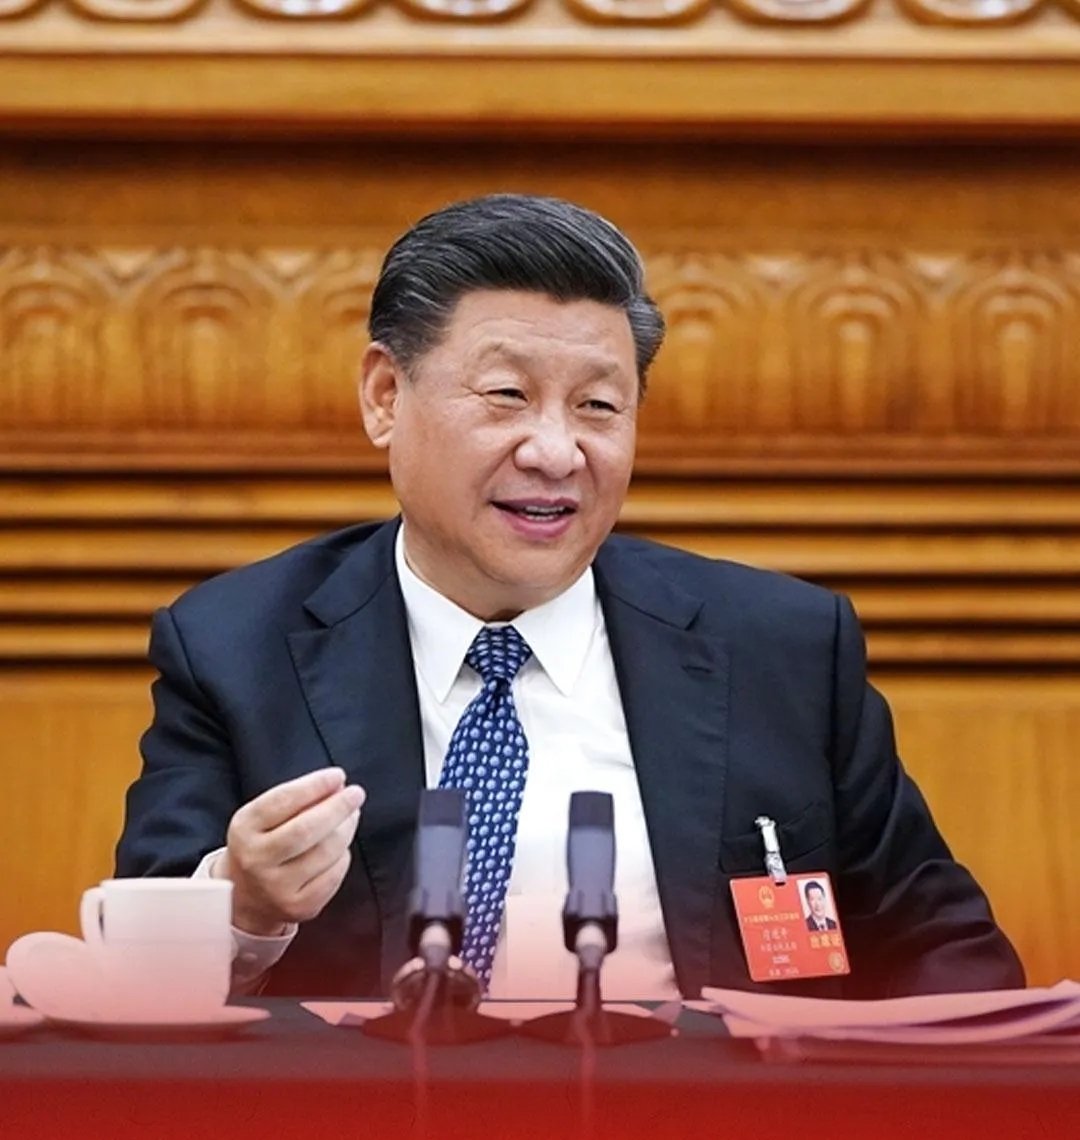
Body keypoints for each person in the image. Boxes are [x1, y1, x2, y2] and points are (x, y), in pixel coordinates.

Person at [116, 194, 1023, 1000]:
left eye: (598, 407)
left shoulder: (780, 649)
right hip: (377, 1132)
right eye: (507, 395)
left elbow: (948, 954)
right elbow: (133, 985)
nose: (555, 452)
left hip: (708, 1127)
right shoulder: (236, 649)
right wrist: (245, 906)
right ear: (386, 396)